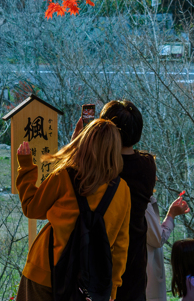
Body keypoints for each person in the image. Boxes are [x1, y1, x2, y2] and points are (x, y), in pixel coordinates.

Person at [15, 117, 132, 301]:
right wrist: (112, 288)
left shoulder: (64, 175)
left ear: (84, 143)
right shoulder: (122, 189)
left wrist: (26, 167)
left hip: (45, 271)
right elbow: (121, 244)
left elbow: (32, 208)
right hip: (88, 283)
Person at [96, 99, 157, 301]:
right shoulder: (147, 165)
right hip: (134, 257)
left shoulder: (99, 168)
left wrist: (80, 140)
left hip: (100, 252)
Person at [145, 194, 190, 301]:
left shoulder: (147, 200)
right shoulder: (143, 204)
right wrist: (171, 215)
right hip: (146, 279)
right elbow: (158, 239)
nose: (156, 179)